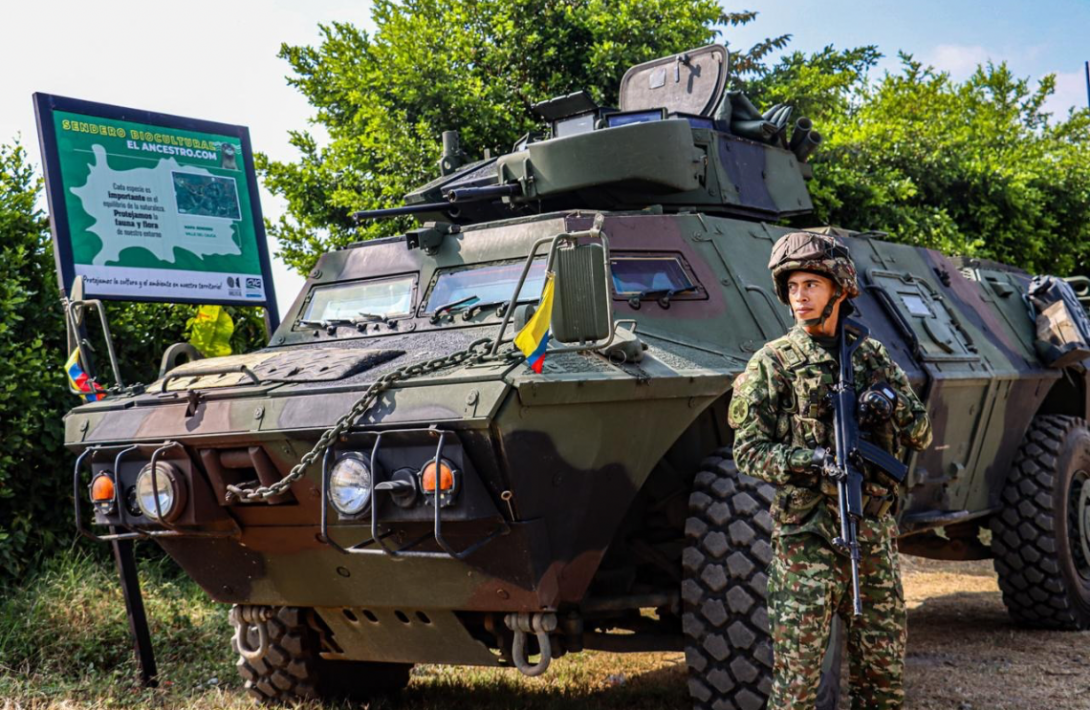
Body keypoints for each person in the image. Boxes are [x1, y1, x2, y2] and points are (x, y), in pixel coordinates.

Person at [728, 231, 932, 710]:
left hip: (873, 533)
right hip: (806, 541)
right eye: (793, 286)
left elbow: (921, 432)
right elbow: (749, 451)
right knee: (796, 686)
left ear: (838, 289)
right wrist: (813, 460)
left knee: (882, 683)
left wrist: (891, 403)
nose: (800, 296)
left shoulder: (871, 356)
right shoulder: (773, 364)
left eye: (811, 285)